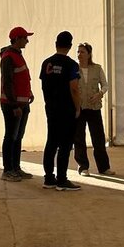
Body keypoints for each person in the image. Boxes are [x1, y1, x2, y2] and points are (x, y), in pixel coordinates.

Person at [39, 31, 82, 191]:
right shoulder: (71, 65)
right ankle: (62, 179)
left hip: (51, 107)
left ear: (56, 44)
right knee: (65, 144)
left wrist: (49, 103)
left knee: (51, 141)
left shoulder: (46, 63)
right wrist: (77, 107)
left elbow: (43, 86)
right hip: (66, 108)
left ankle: (49, 178)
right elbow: (74, 89)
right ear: (70, 46)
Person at [73, 42, 115, 177]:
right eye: (78, 52)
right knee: (79, 137)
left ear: (89, 54)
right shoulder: (74, 68)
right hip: (79, 107)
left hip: (94, 107)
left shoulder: (97, 68)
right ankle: (82, 166)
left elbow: (105, 85)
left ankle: (104, 167)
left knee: (98, 138)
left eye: (82, 52)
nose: (79, 54)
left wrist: (99, 94)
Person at [0, 26, 35, 182]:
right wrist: (14, 106)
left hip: (22, 103)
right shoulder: (8, 57)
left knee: (18, 137)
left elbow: (22, 78)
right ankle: (8, 170)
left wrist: (29, 93)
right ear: (18, 39)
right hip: (12, 105)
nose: (27, 41)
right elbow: (8, 83)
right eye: (25, 38)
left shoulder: (17, 55)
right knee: (10, 136)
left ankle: (16, 167)